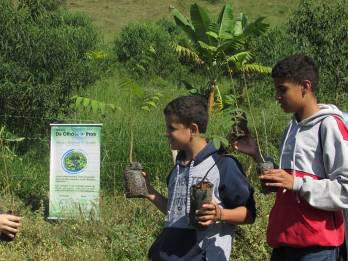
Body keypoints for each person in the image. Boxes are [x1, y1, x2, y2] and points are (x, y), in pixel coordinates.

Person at [234, 54, 348, 260]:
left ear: (305, 86)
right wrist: (256, 154)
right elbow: (286, 182)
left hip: (316, 247)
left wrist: (296, 183)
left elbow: (345, 189)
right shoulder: (290, 129)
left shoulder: (329, 125)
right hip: (285, 240)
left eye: (282, 89)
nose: (277, 96)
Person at [144, 95, 256, 261]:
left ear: (193, 130)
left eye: (172, 128)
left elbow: (249, 214)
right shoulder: (178, 168)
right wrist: (150, 192)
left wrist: (219, 214)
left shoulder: (223, 165)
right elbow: (176, 212)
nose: (166, 133)